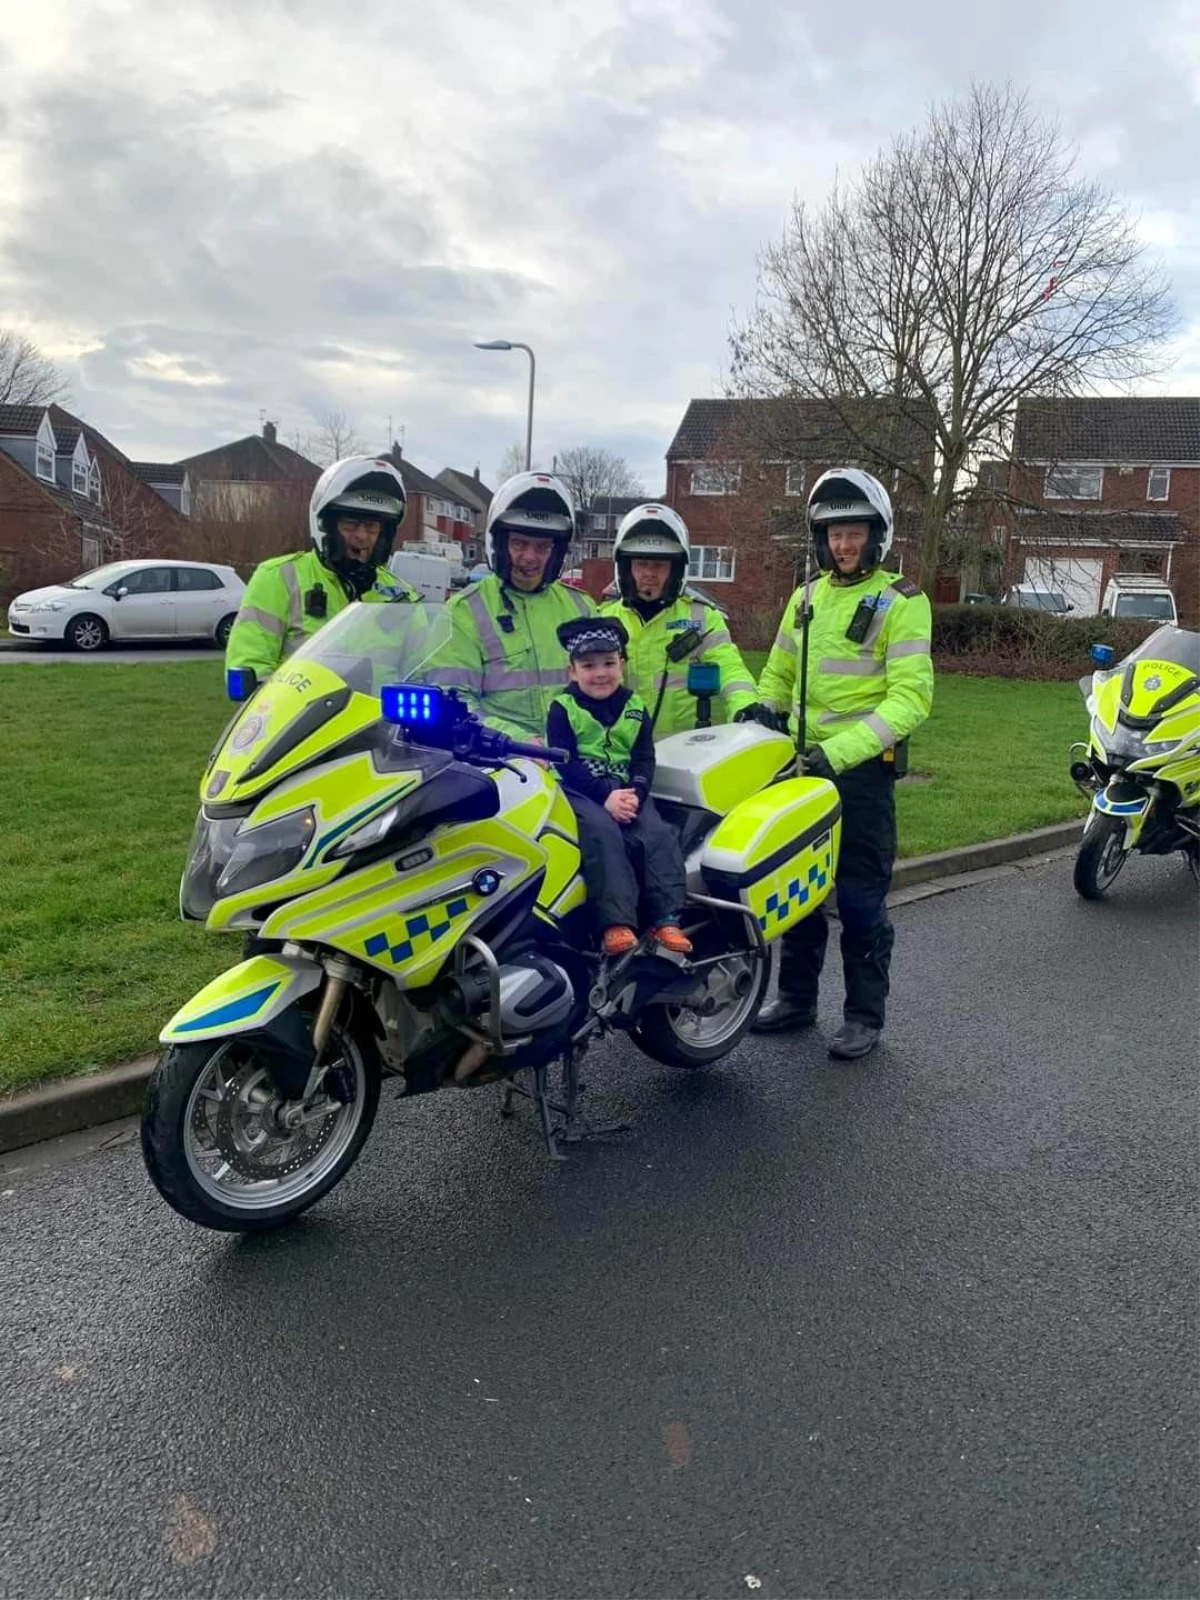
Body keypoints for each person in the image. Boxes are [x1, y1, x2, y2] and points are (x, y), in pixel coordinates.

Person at [747, 467, 933, 1060]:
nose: (843, 545)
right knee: (797, 895)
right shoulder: (805, 599)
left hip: (860, 775)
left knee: (858, 901)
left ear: (876, 535)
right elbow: (777, 672)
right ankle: (796, 1001)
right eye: (833, 534)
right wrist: (763, 713)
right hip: (803, 767)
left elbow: (911, 698)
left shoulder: (904, 601)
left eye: (854, 533)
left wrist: (838, 752)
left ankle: (863, 1017)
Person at [547, 617, 693, 958]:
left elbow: (644, 758)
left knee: (657, 832)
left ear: (622, 665)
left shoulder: (635, 706)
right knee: (602, 834)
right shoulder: (562, 708)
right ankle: (615, 923)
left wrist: (636, 794)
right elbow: (565, 762)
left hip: (627, 787)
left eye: (609, 663)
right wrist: (605, 797)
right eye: (588, 665)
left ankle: (667, 917)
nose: (601, 673)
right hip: (581, 790)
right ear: (572, 671)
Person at [225, 455, 419, 681]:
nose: (362, 536)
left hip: (380, 716)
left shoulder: (403, 596)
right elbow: (249, 663)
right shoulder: (279, 578)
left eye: (371, 526)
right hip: (301, 714)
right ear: (326, 525)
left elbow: (428, 667)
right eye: (351, 524)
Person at [439, 472, 594, 741]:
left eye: (542, 547)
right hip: (501, 764)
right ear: (498, 544)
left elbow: (605, 689)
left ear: (556, 553)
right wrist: (514, 740)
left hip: (576, 763)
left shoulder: (583, 607)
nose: (530, 557)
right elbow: (453, 701)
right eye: (519, 543)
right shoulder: (464, 610)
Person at [601, 504, 758, 737]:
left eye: (659, 565)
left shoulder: (703, 618)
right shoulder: (603, 620)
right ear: (625, 567)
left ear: (675, 570)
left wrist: (746, 706)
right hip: (621, 755)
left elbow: (730, 669)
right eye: (641, 563)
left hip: (685, 754)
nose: (649, 573)